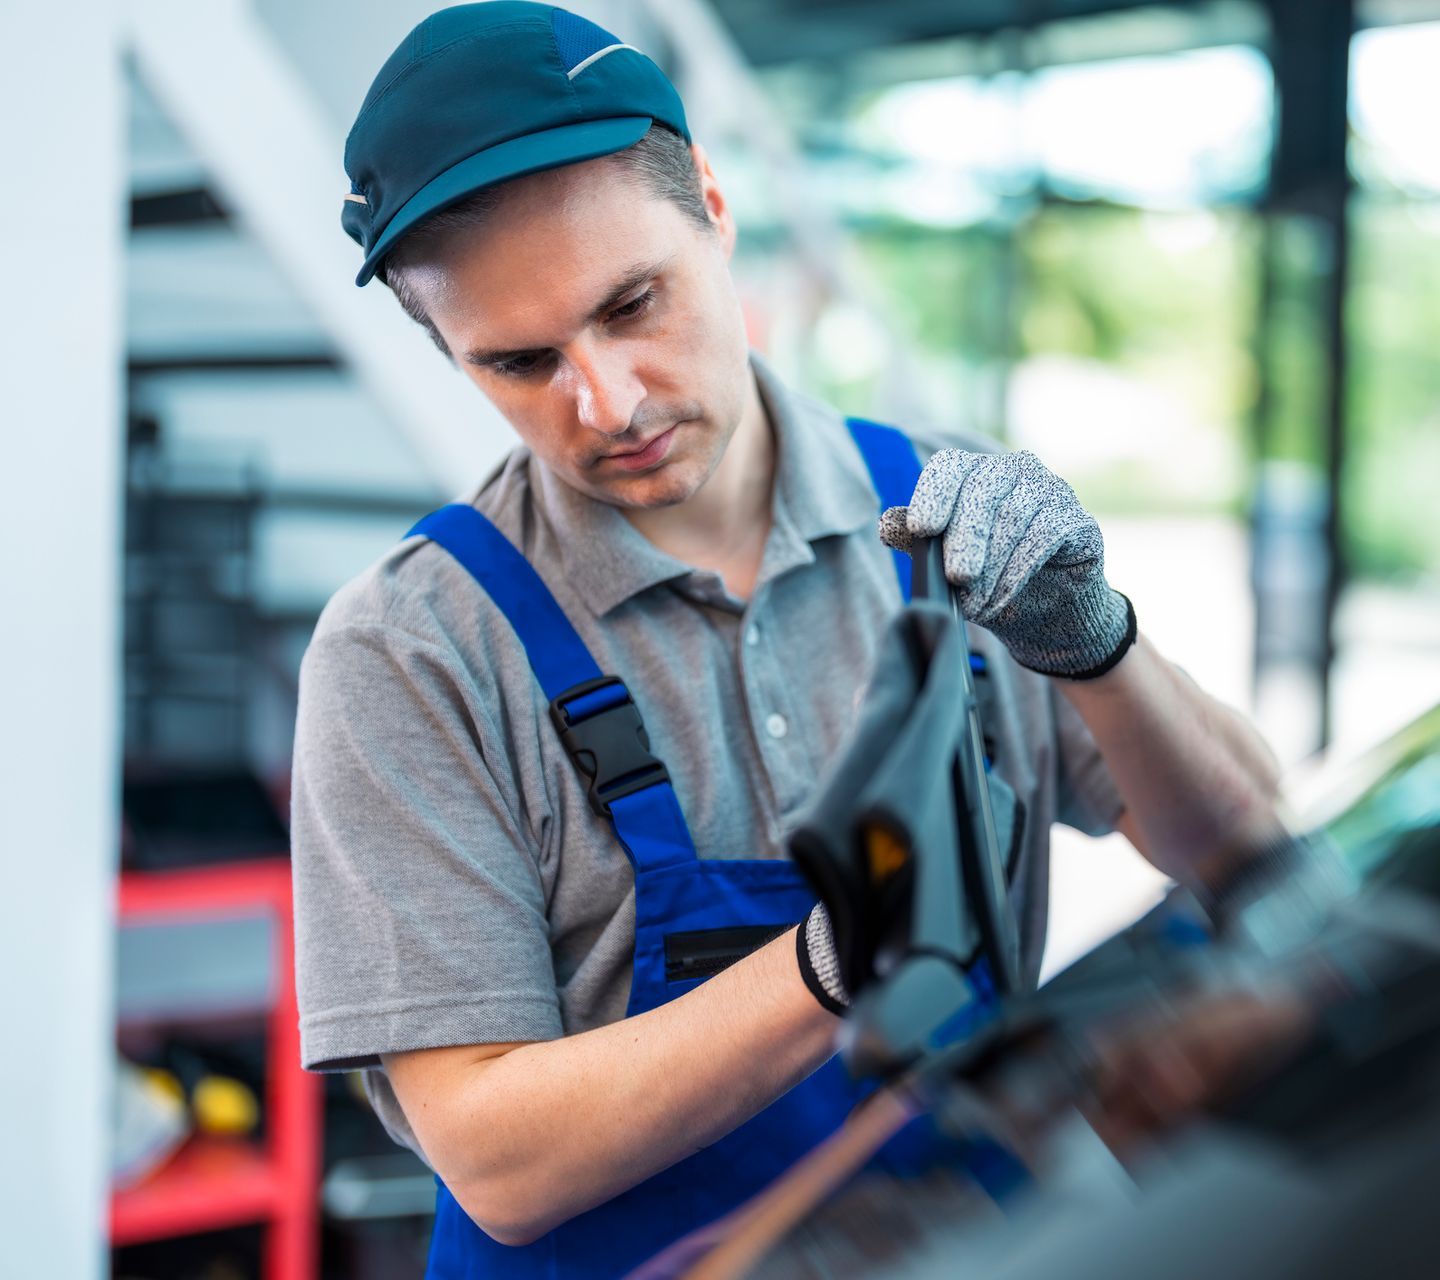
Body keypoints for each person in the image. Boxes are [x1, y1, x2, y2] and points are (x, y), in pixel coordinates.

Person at [290, 3, 1285, 1275]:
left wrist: (1095, 645)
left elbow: (1246, 851)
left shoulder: (948, 517)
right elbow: (496, 1155)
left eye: (634, 301)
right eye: (521, 361)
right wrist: (842, 952)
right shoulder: (412, 651)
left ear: (710, 200)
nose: (610, 400)